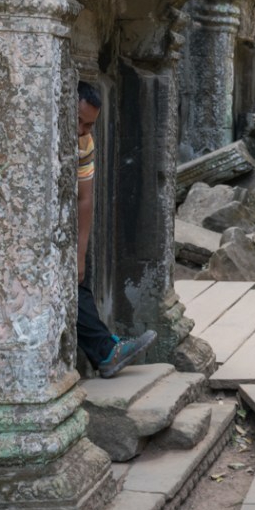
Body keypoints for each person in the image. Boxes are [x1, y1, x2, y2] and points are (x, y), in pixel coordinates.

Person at [75, 82, 154, 378]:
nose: (82, 130)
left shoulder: (85, 142)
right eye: (78, 120)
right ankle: (106, 349)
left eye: (89, 124)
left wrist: (80, 254)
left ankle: (106, 348)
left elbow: (85, 198)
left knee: (77, 278)